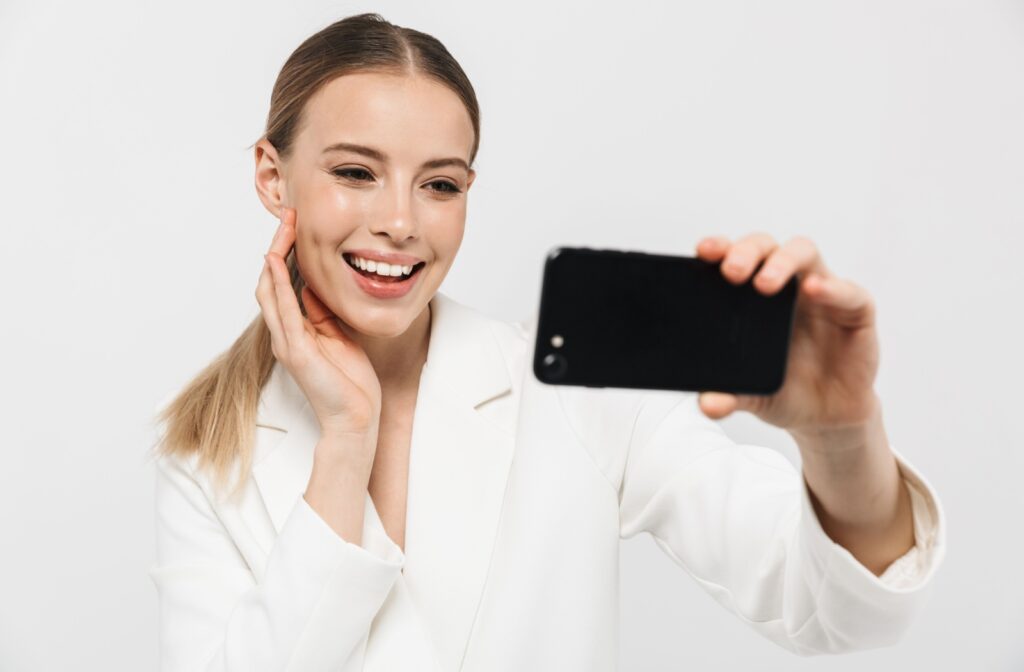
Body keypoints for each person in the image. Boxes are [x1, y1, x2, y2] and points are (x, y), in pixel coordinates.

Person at [148, 12, 946, 672]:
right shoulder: (203, 454)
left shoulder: (569, 399)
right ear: (271, 175)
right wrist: (347, 440)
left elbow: (838, 612)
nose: (399, 221)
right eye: (356, 172)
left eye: (440, 184)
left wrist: (841, 437)